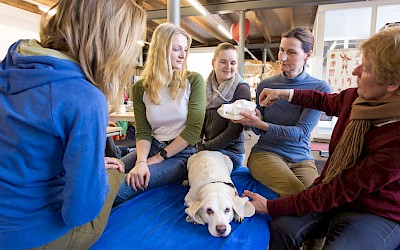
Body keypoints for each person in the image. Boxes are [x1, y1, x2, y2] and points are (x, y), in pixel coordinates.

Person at [0, 0, 146, 249]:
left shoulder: (14, 59)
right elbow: (79, 213)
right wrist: (96, 172)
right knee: (117, 168)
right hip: (27, 235)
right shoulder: (85, 98)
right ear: (111, 41)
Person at [244, 27, 400, 249]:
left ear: (392, 83)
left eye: (365, 69)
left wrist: (272, 206)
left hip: (374, 210)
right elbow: (324, 101)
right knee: (283, 227)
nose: (355, 71)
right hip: (271, 153)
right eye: (280, 50)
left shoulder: (394, 138)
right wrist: (284, 94)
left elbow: (339, 188)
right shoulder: (356, 98)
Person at [113, 23, 206, 205]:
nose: (183, 55)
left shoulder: (194, 81)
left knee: (123, 187)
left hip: (181, 153)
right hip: (151, 146)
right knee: (110, 173)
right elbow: (143, 131)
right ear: (160, 50)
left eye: (185, 49)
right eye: (176, 49)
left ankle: (84, 225)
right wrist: (141, 161)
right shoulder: (140, 87)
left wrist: (154, 160)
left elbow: (193, 131)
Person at [234, 27, 331, 197]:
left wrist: (262, 124)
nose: (283, 57)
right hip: (266, 153)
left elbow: (301, 133)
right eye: (281, 50)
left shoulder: (319, 89)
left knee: (317, 197)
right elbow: (258, 131)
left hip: (301, 156)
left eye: (291, 52)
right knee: (297, 194)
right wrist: (254, 120)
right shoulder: (265, 85)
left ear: (307, 56)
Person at [200, 42, 251, 169]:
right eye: (223, 61)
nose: (228, 67)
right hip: (208, 148)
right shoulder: (204, 88)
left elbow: (233, 132)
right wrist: (195, 145)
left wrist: (204, 148)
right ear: (213, 63)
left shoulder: (241, 89)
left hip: (231, 152)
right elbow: (199, 121)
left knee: (204, 167)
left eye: (233, 63)